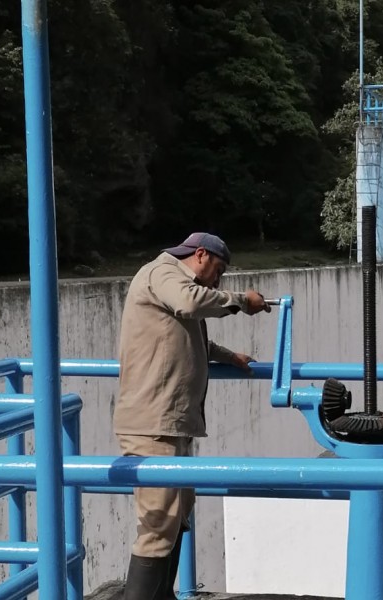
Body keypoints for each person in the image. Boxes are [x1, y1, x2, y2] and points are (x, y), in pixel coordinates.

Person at [113, 232, 271, 600]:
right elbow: (189, 303)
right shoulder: (164, 274)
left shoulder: (175, 283)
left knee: (177, 515)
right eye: (217, 271)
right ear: (200, 255)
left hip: (172, 423)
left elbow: (188, 335)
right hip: (153, 423)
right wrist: (241, 302)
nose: (218, 282)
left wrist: (230, 357)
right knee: (157, 524)